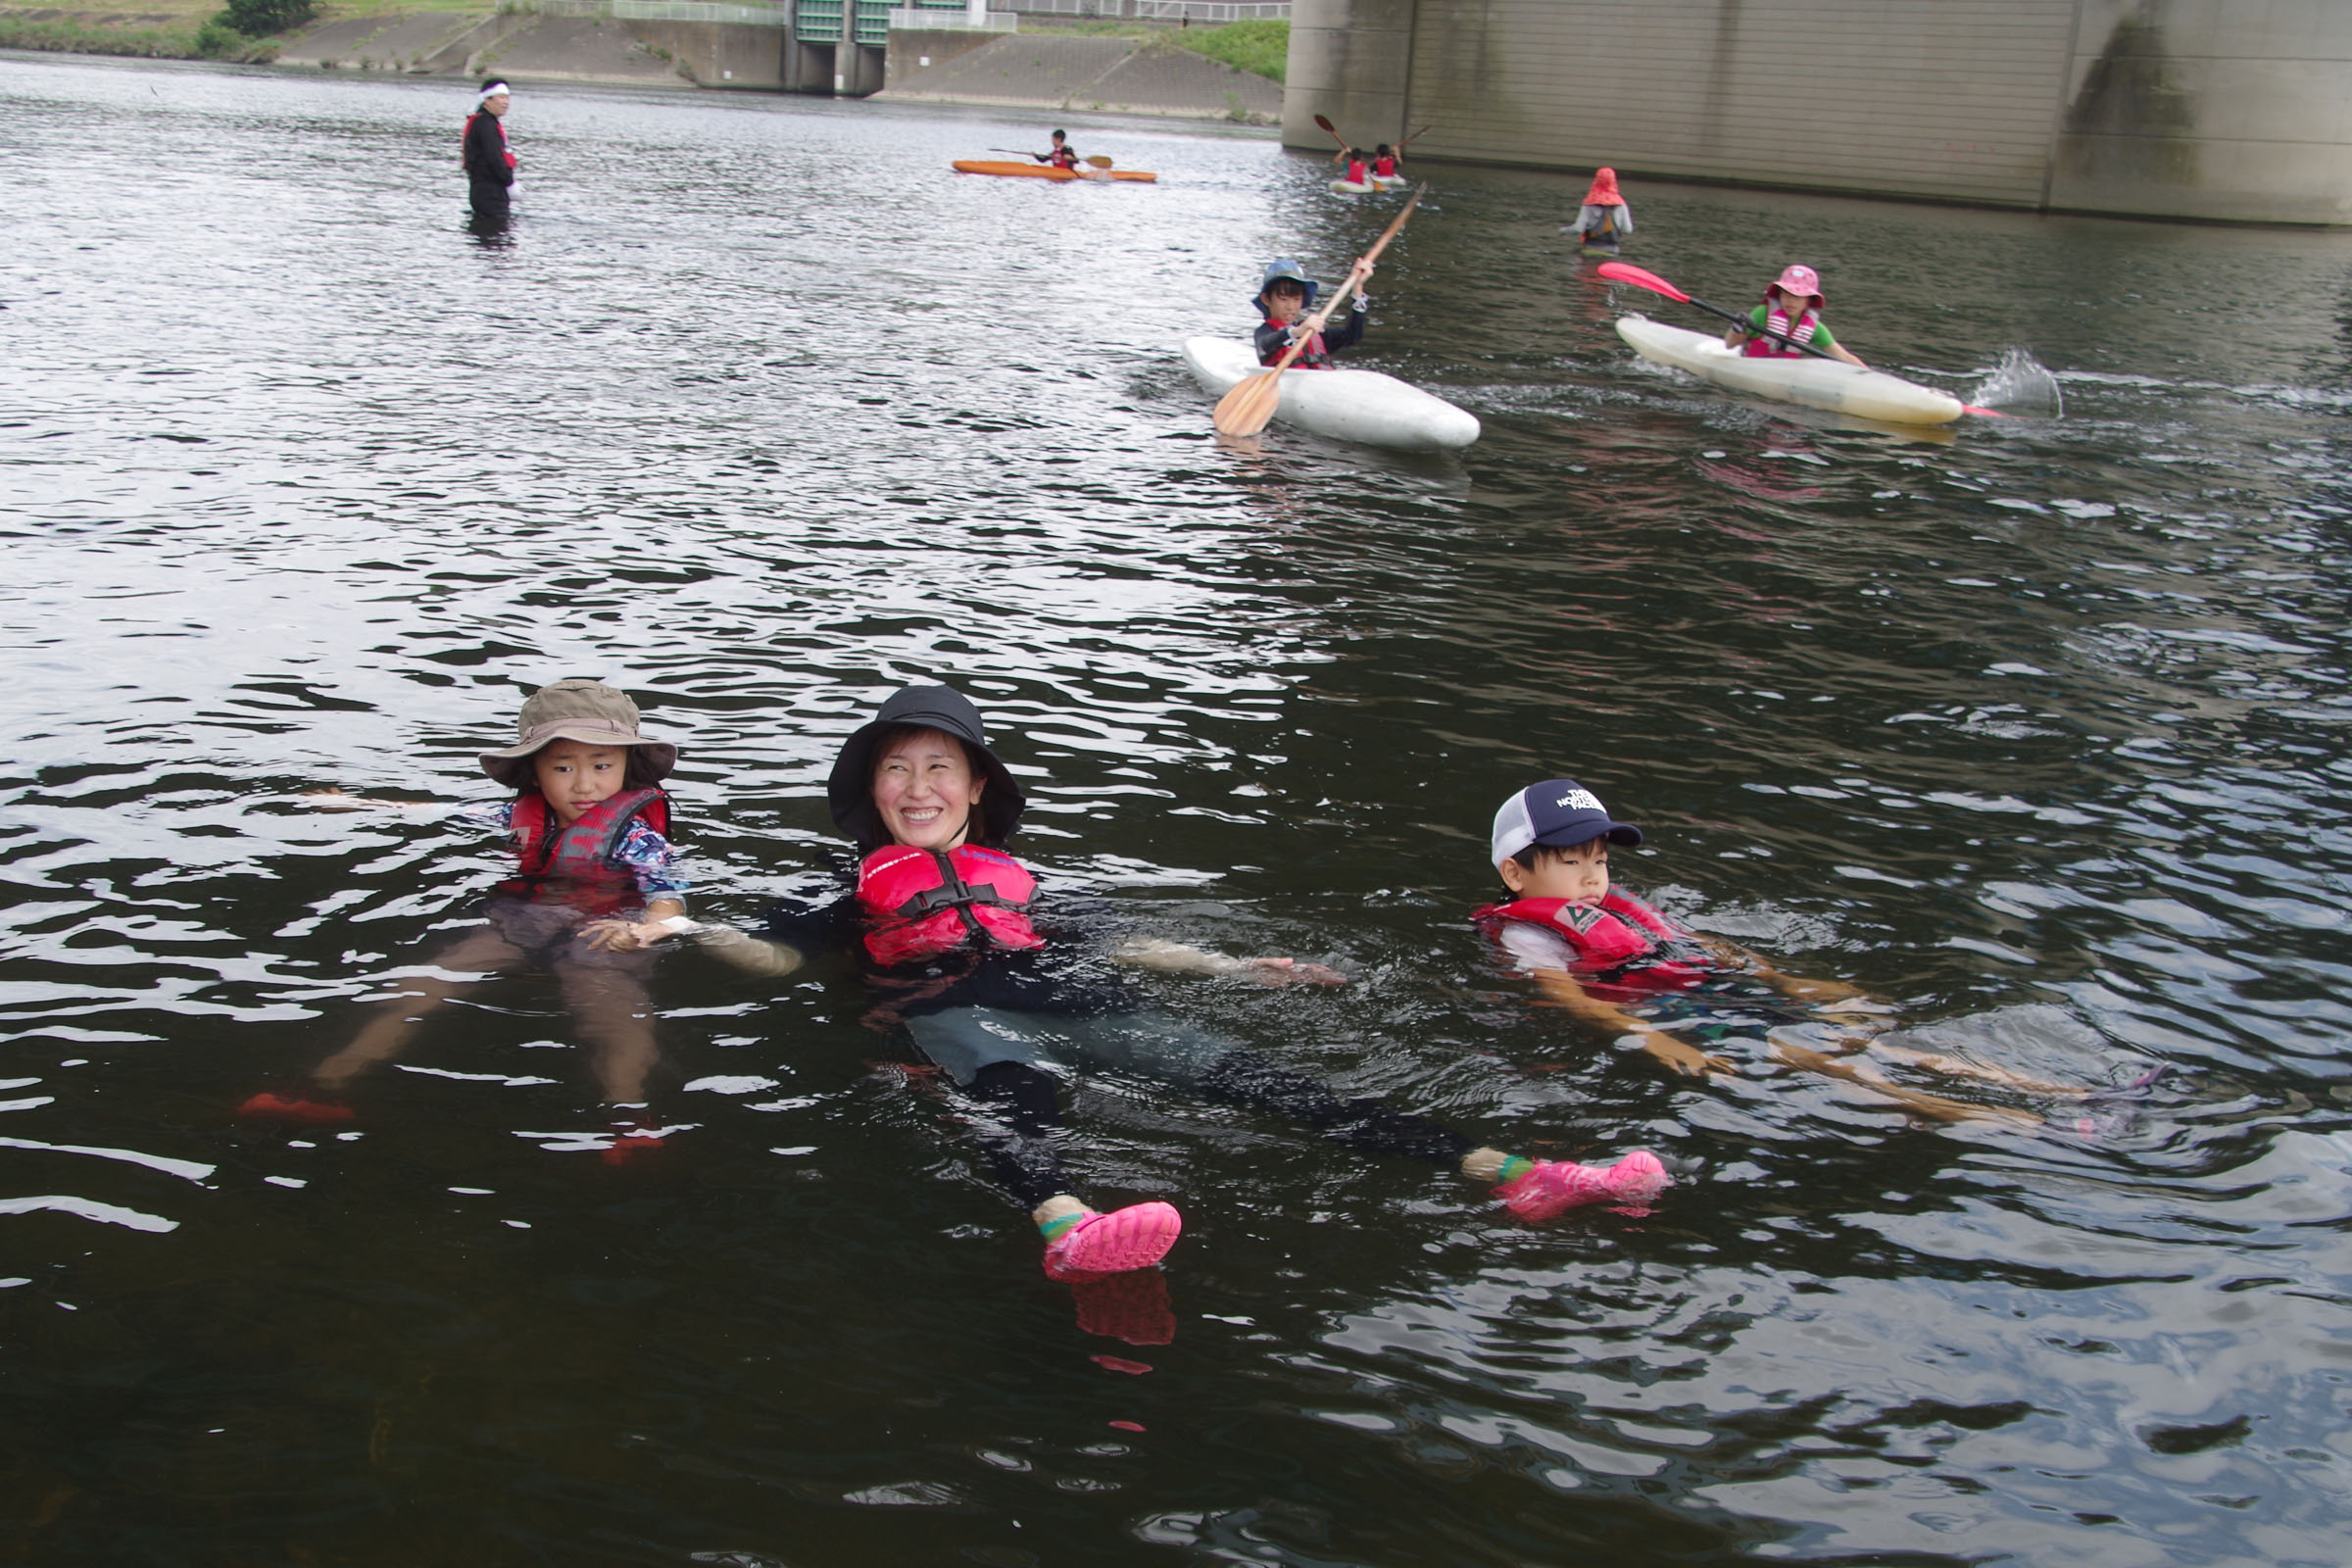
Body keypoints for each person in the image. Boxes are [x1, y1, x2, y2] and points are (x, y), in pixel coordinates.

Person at [699, 686, 1668, 1287]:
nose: (917, 786)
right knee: (1014, 1091)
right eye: (896, 770)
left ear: (977, 786)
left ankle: (1516, 1174)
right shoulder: (843, 886)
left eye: (938, 767)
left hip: (1076, 999)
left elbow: (1133, 947)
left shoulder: (1032, 884)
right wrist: (690, 928)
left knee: (1273, 1084)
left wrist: (1239, 966)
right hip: (944, 1008)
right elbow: (780, 957)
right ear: (871, 790)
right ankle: (1067, 1227)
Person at [240, 679, 704, 1158]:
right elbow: (436, 812)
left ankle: (629, 1121)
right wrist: (357, 804)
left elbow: (666, 892)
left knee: (610, 1015)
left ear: (626, 769)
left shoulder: (637, 838)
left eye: (601, 766)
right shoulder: (514, 814)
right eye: (563, 767)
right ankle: (322, 1089)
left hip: (604, 932)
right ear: (535, 774)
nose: (584, 785)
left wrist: (647, 928)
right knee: (420, 986)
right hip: (524, 919)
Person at [1476, 780, 2098, 1123]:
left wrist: (1794, 983)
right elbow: (1568, 999)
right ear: (1515, 874)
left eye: (1602, 861)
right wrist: (1652, 1039)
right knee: (1831, 1062)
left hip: (1713, 991)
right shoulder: (1529, 934)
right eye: (1573, 861)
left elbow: (1704, 949)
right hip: (1673, 1015)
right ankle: (2016, 1127)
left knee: (1879, 1044)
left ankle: (2071, 1096)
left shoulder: (1613, 911)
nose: (1593, 877)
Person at [1723, 264, 1867, 368]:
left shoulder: (1815, 327)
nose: (1790, 301)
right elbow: (1730, 345)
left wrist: (1870, 376)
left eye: (1798, 296)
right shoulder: (1762, 313)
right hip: (1750, 366)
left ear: (1809, 300)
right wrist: (1737, 329)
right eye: (1786, 294)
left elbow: (1843, 356)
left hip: (1784, 374)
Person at [1251, 257, 1371, 368]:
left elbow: (1353, 335)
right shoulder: (1264, 333)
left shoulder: (1311, 331)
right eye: (1283, 299)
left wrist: (1358, 287)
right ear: (1266, 299)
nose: (1290, 307)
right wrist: (1296, 332)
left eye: (1296, 299)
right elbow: (1265, 345)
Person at [462, 79, 516, 223]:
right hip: (489, 192)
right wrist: (509, 182)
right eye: (501, 97)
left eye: (507, 98)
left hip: (487, 190)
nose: (506, 103)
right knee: (496, 235)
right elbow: (494, 157)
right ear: (487, 100)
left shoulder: (486, 122)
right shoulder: (485, 124)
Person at [1567, 167, 1631, 249]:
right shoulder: (1621, 204)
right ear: (1613, 181)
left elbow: (1578, 229)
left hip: (1591, 248)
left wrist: (1563, 231)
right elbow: (1627, 230)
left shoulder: (1589, 202)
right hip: (1612, 250)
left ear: (1596, 180)